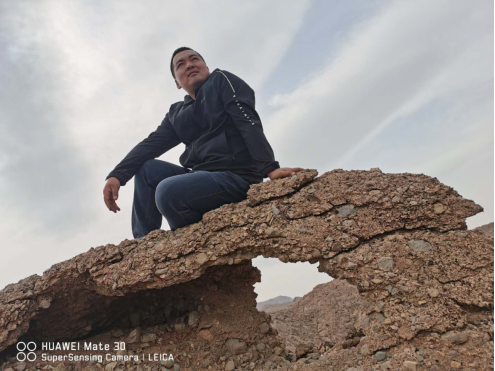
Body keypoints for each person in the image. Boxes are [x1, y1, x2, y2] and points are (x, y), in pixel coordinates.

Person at [103, 47, 303, 238]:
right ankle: (144, 247)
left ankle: (196, 236)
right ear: (177, 83)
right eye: (180, 64)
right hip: (200, 181)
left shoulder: (221, 81)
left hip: (236, 178)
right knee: (147, 170)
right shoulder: (176, 113)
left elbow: (247, 122)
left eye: (194, 59)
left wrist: (270, 168)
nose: (189, 64)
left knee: (168, 191)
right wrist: (117, 176)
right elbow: (150, 145)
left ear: (206, 68)